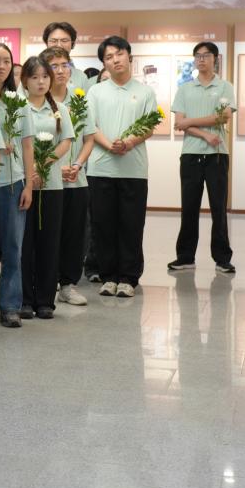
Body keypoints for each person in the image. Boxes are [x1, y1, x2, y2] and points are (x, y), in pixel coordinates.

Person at [87, 36, 156, 298]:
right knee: (103, 225)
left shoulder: (145, 92)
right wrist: (110, 145)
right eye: (108, 57)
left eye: (119, 54)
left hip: (133, 170)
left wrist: (128, 143)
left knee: (131, 224)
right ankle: (108, 276)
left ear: (129, 56)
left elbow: (149, 126)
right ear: (104, 63)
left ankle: (128, 277)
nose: (115, 60)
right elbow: (89, 126)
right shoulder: (96, 92)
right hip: (100, 168)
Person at [169, 41, 237, 275]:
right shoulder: (185, 89)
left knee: (218, 208)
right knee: (189, 208)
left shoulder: (225, 87)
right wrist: (205, 134)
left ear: (215, 59)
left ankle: (222, 259)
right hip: (191, 155)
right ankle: (185, 257)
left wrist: (190, 122)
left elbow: (224, 117)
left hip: (217, 155)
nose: (201, 59)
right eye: (197, 55)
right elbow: (179, 123)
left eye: (206, 55)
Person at [17, 56, 73, 319]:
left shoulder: (59, 109)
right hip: (24, 185)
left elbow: (66, 142)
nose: (41, 82)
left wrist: (41, 165)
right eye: (34, 77)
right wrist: (30, 172)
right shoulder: (18, 108)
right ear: (24, 81)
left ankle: (45, 301)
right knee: (24, 243)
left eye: (45, 77)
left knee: (49, 243)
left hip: (52, 185)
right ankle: (25, 299)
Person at [41, 45, 94, 307]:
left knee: (74, 235)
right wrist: (54, 167)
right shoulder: (38, 99)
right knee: (49, 235)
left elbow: (89, 137)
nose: (61, 71)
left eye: (65, 65)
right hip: (47, 181)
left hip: (76, 179)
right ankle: (44, 285)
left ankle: (67, 285)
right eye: (54, 66)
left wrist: (78, 164)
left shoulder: (79, 98)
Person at [0, 42, 32, 327]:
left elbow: (27, 145)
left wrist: (28, 185)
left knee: (13, 248)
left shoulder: (18, 102)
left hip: (13, 182)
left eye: (6, 61)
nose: (0, 66)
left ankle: (10, 306)